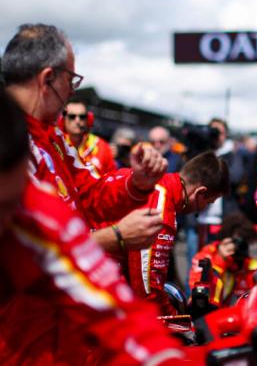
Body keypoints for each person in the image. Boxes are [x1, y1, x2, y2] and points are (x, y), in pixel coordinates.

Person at [0, 88, 184, 365]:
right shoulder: (33, 202)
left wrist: (134, 186)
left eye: (79, 116)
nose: (75, 121)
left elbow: (113, 309)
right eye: (70, 116)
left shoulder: (42, 201)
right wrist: (116, 237)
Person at [2, 23, 166, 254]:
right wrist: (115, 237)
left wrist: (136, 181)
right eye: (71, 80)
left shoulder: (53, 134)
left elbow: (90, 193)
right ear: (47, 79)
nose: (72, 92)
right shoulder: (9, 140)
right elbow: (25, 250)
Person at [118, 151, 229, 315]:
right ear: (200, 193)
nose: (205, 207)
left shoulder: (151, 181)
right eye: (209, 202)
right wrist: (178, 319)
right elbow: (148, 288)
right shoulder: (161, 209)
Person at [189, 212, 257, 307]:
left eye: (243, 243)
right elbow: (199, 290)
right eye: (235, 241)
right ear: (225, 239)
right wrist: (221, 260)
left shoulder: (252, 266)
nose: (238, 247)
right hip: (207, 310)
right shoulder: (207, 256)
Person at [61, 97, 116, 175]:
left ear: (89, 119)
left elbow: (111, 178)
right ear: (63, 119)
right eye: (72, 116)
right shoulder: (57, 142)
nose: (77, 121)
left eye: (82, 117)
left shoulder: (102, 147)